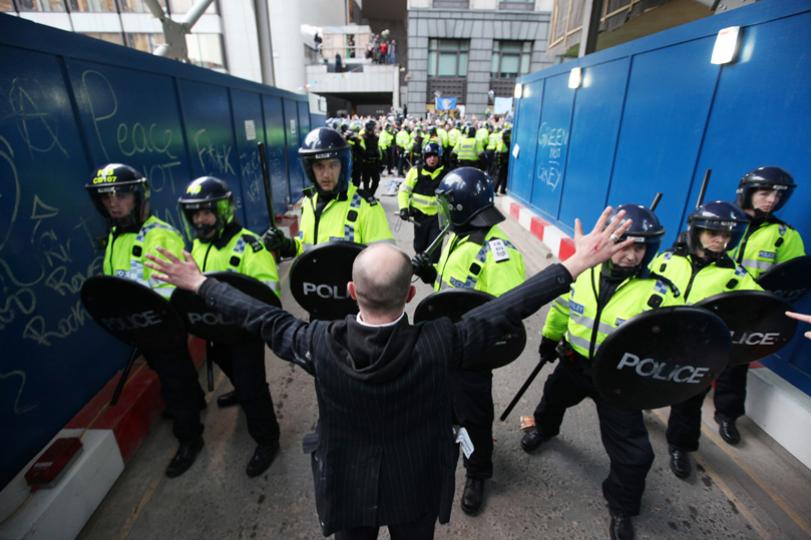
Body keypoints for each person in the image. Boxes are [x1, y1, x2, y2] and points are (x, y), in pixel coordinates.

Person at [146, 204, 635, 540]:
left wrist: (199, 282)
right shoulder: (443, 341)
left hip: (347, 487)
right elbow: (507, 308)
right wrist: (576, 265)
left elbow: (261, 317)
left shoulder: (317, 343)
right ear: (411, 295)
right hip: (416, 485)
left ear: (351, 293)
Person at [520, 204, 683, 540]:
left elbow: (669, 345)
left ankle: (622, 507)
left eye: (639, 247)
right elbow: (563, 307)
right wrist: (550, 338)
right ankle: (545, 430)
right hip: (574, 362)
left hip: (619, 381)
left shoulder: (660, 293)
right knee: (551, 399)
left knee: (635, 453)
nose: (629, 254)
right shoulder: (583, 272)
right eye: (622, 244)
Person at [412, 167, 524, 516]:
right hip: (445, 341)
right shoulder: (455, 236)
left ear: (463, 207)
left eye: (447, 204)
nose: (442, 211)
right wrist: (431, 274)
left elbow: (507, 317)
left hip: (472, 353)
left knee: (474, 415)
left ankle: (477, 472)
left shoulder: (498, 254)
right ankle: (445, 447)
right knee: (443, 405)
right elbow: (451, 292)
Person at [85, 163, 206, 478]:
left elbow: (172, 288)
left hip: (162, 326)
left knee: (174, 380)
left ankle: (190, 438)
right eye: (106, 197)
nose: (113, 203)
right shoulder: (115, 236)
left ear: (138, 197)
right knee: (172, 375)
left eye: (121, 195)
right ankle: (195, 403)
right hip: (140, 327)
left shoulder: (160, 235)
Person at [177, 176, 282, 477]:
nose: (201, 219)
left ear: (223, 211)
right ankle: (239, 389)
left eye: (207, 212)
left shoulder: (250, 246)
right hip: (214, 330)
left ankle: (267, 438)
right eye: (195, 213)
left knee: (252, 388)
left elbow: (268, 294)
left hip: (244, 333)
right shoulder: (196, 245)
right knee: (232, 370)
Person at [650, 201, 759, 479]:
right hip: (659, 341)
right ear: (696, 232)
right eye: (714, 233)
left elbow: (759, 307)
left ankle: (680, 446)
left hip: (698, 350)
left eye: (726, 236)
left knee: (689, 403)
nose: (721, 241)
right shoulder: (666, 260)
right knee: (643, 385)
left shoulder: (736, 276)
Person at [720, 166, 806, 444]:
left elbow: (794, 277)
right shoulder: (721, 222)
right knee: (692, 352)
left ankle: (727, 415)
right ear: (747, 192)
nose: (771, 200)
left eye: (777, 196)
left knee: (736, 364)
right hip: (712, 301)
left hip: (749, 311)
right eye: (764, 192)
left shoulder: (785, 235)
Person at [263, 127, 393, 258]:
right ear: (310, 169)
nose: (326, 174)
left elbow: (384, 262)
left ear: (342, 166)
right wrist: (288, 246)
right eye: (319, 166)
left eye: (333, 165)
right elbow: (308, 248)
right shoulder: (309, 202)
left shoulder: (366, 207)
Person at [398, 142, 446, 263]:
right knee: (419, 246)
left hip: (438, 218)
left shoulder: (445, 174)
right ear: (425, 157)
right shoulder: (415, 172)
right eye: (429, 156)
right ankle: (421, 265)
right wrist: (403, 208)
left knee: (434, 250)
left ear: (439, 158)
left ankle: (432, 276)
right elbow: (403, 191)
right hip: (420, 217)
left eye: (435, 156)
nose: (432, 159)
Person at [359, 120, 383, 196]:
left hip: (375, 163)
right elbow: (361, 150)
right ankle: (367, 196)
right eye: (373, 128)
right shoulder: (362, 137)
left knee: (376, 180)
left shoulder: (376, 138)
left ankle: (371, 195)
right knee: (366, 181)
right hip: (366, 163)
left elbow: (378, 149)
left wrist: (380, 160)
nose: (373, 130)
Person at [494, 127, 511, 195]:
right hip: (503, 159)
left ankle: (502, 190)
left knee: (504, 175)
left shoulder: (502, 141)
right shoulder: (506, 143)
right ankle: (495, 190)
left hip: (501, 158)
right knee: (500, 175)